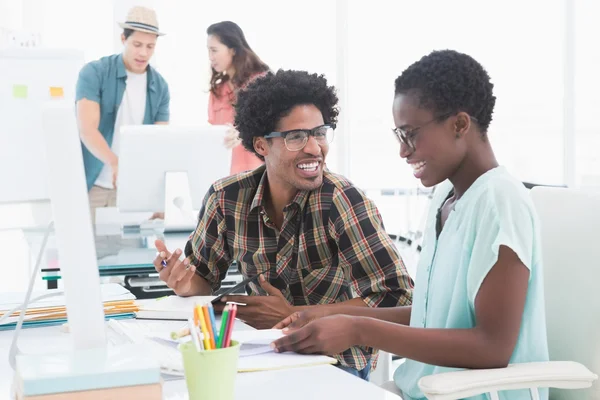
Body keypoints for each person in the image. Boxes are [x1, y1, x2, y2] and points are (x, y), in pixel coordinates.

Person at [271, 50, 549, 400]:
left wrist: (358, 329)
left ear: (460, 125)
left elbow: (491, 347)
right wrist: (323, 315)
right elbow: (429, 316)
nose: (403, 151)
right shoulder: (446, 197)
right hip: (421, 391)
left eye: (411, 134)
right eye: (398, 135)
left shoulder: (500, 202)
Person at [153, 70, 414, 380]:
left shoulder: (340, 200)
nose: (315, 148)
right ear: (262, 145)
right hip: (258, 353)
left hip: (332, 363)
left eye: (319, 132)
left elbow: (397, 298)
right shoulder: (226, 199)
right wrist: (184, 283)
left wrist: (298, 316)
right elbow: (204, 281)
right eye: (296, 137)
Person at [76, 6, 170, 222]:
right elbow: (87, 129)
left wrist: (158, 197)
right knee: (91, 253)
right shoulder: (94, 73)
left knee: (133, 252)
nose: (144, 53)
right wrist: (115, 162)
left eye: (150, 46)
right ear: (123, 39)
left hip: (134, 191)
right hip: (94, 186)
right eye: (137, 45)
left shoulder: (160, 86)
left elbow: (159, 143)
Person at [206, 21, 269, 175]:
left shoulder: (261, 82)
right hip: (226, 177)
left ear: (233, 50)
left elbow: (276, 129)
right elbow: (213, 137)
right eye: (208, 51)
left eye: (214, 50)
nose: (210, 57)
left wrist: (244, 132)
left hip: (260, 175)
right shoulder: (217, 91)